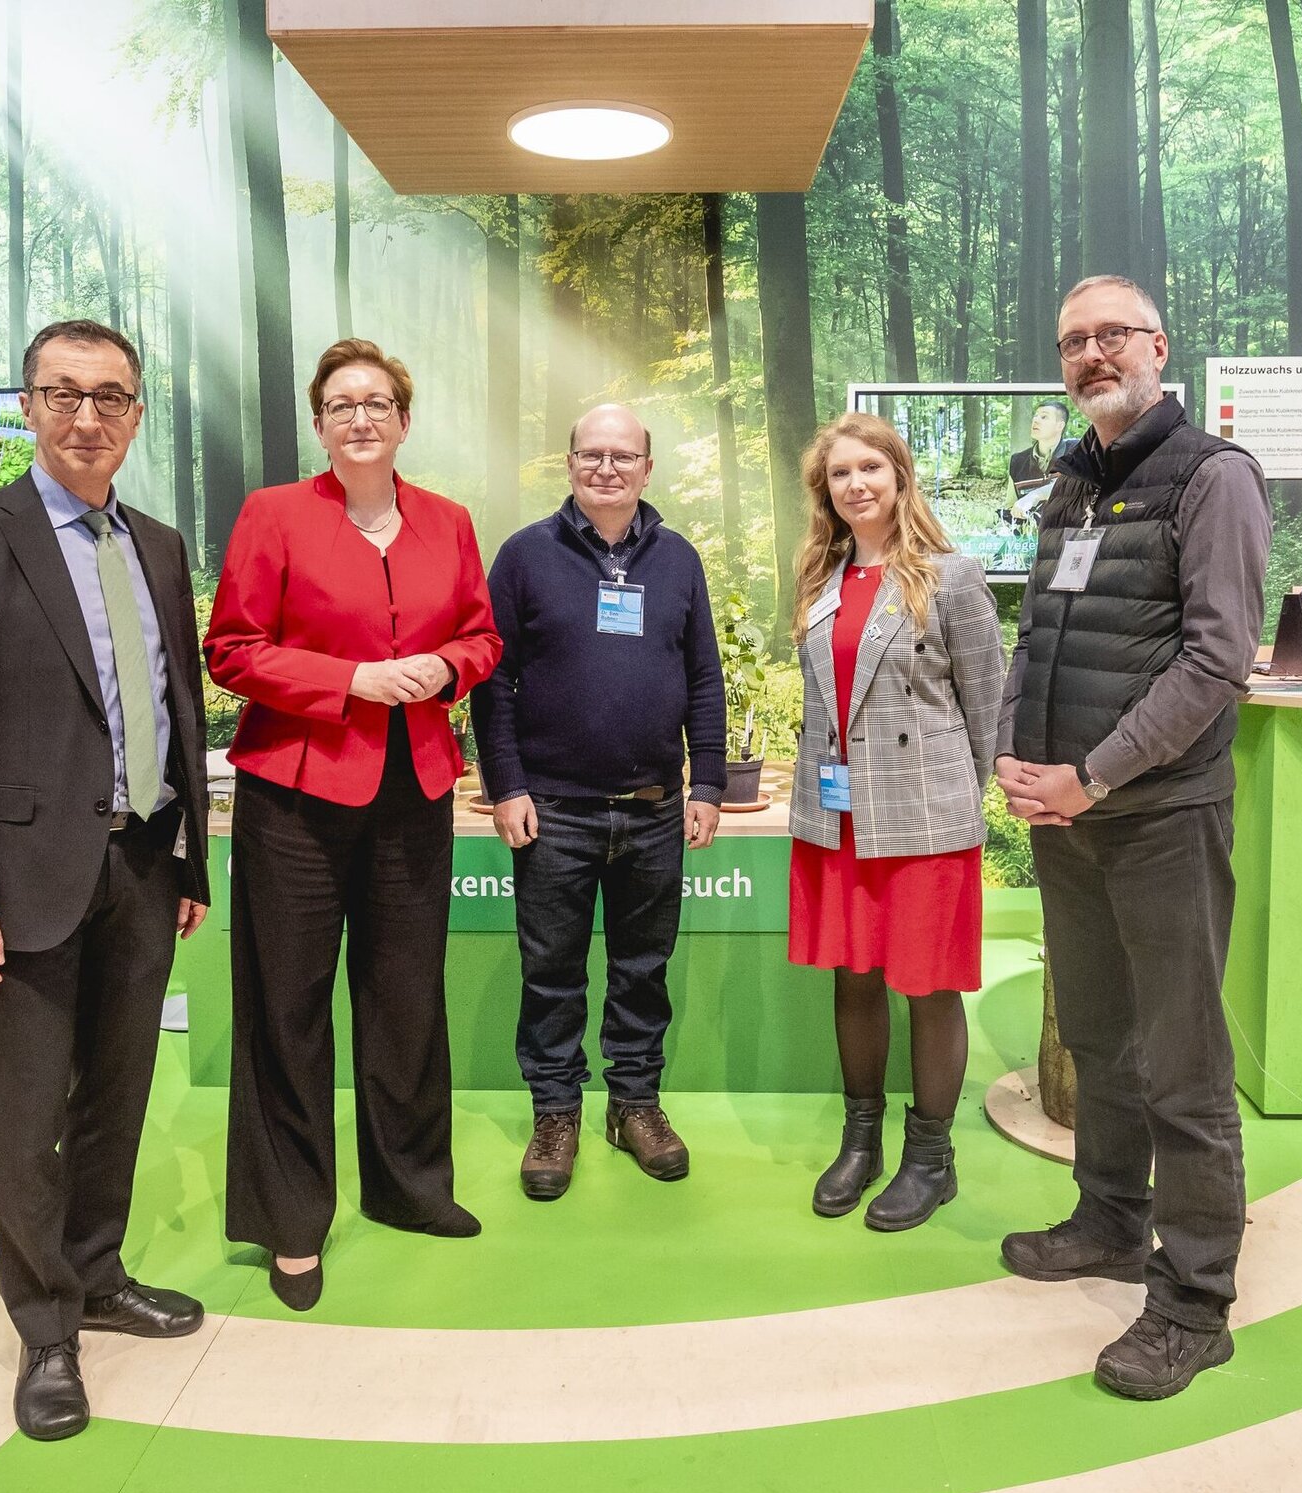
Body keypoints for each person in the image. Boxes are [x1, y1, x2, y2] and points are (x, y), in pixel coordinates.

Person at [0, 319, 213, 1442]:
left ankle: (99, 1274)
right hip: (17, 881)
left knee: (117, 1094)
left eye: (109, 396)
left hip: (142, 863)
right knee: (25, 1117)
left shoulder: (159, 546)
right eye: (63, 394)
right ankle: (45, 1329)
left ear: (137, 413)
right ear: (28, 406)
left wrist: (187, 855)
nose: (87, 417)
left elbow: (178, 710)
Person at [995, 274, 1271, 1400]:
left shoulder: (1212, 477)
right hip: (1067, 820)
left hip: (1159, 817)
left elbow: (1215, 661)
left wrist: (1093, 775)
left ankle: (1195, 1303)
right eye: (1074, 342)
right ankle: (1110, 1220)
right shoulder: (1070, 486)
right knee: (1101, 1037)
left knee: (1181, 1061)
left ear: (1159, 345)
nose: (1091, 355)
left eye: (1112, 335)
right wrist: (1014, 755)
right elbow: (1035, 636)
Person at [204, 338, 501, 1312]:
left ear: (404, 421)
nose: (361, 417)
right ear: (320, 424)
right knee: (286, 1009)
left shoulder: (448, 522)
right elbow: (231, 650)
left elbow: (481, 635)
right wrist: (351, 680)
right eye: (342, 404)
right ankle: (291, 1222)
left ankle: (410, 1187)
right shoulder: (274, 515)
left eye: (377, 402)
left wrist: (447, 668)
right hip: (295, 797)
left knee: (406, 999)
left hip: (414, 791)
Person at [473, 403, 727, 1200]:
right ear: (570, 464)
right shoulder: (524, 556)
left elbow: (703, 676)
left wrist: (709, 782)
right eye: (592, 454)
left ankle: (634, 1105)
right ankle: (556, 1113)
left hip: (654, 808)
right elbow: (493, 682)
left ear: (647, 468)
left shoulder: (678, 559)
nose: (607, 468)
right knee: (551, 974)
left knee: (643, 970)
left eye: (623, 456)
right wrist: (506, 785)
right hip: (553, 810)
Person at [786, 412, 1004, 1231]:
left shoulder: (952, 577)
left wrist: (953, 802)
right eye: (840, 473)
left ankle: (931, 1158)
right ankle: (862, 1140)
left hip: (923, 818)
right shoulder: (822, 577)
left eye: (870, 467)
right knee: (854, 977)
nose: (856, 484)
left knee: (928, 985)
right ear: (826, 490)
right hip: (838, 815)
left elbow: (988, 710)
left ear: (900, 475)